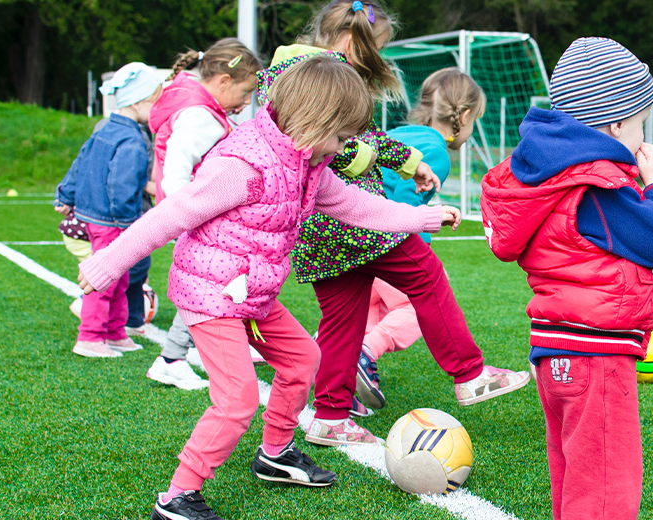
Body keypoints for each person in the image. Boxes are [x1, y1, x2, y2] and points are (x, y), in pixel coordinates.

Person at [75, 56, 461, 520]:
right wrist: (107, 264)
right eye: (340, 137)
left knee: (304, 359)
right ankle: (177, 497)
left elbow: (358, 208)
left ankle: (275, 453)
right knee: (236, 400)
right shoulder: (242, 165)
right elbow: (170, 216)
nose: (343, 148)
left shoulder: (309, 165)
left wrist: (424, 217)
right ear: (314, 121)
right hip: (211, 294)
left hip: (251, 293)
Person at [257, 0, 529, 447]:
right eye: (377, 47)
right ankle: (469, 373)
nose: (374, 59)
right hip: (353, 218)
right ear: (352, 40)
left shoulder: (292, 70)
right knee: (426, 276)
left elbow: (359, 136)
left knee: (344, 320)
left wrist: (410, 162)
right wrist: (373, 159)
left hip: (317, 229)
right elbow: (325, 141)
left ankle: (329, 416)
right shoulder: (324, 72)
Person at [480, 37, 653, 520]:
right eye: (639, 123)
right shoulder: (595, 182)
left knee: (577, 480)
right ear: (614, 122)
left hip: (556, 351)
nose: (641, 137)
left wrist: (641, 287)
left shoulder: (552, 172)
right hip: (597, 356)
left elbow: (576, 255)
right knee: (607, 493)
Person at [351, 67, 485, 410]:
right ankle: (366, 353)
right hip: (382, 240)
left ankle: (340, 373)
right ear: (464, 116)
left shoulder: (399, 133)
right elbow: (404, 202)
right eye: (475, 120)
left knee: (369, 309)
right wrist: (418, 252)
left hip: (351, 237)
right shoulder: (435, 152)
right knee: (417, 303)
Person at [144, 38, 263, 391]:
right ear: (223, 82)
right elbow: (177, 172)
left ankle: (186, 353)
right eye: (244, 93)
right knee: (209, 286)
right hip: (199, 219)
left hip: (200, 217)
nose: (245, 104)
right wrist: (189, 214)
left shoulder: (201, 107)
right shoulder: (200, 117)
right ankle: (171, 358)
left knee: (215, 283)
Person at [55, 62, 163, 358]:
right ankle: (90, 336)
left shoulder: (106, 128)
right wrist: (129, 223)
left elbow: (80, 161)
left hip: (97, 216)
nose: (159, 107)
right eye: (156, 100)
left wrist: (65, 193)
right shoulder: (132, 139)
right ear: (140, 102)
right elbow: (122, 184)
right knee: (105, 278)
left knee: (120, 277)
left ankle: (115, 332)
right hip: (112, 221)